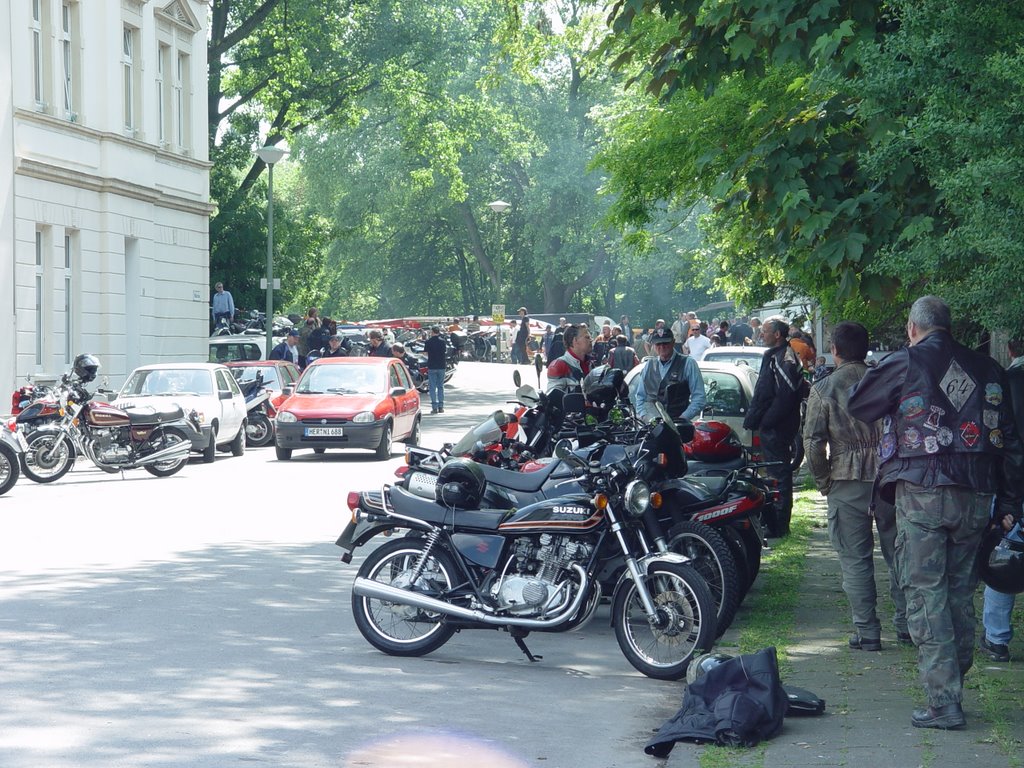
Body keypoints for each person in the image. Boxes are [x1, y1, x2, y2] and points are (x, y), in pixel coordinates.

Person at [848, 296, 1024, 730]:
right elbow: (1013, 445)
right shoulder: (989, 368)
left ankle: (944, 701)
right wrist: (1010, 505)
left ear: (912, 328)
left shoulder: (904, 362)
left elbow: (859, 404)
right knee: (960, 591)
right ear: (950, 326)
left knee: (926, 591)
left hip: (922, 491)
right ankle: (952, 684)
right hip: (977, 494)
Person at [802, 321, 909, 653]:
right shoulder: (888, 380)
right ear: (866, 348)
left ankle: (867, 632)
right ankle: (908, 626)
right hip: (891, 477)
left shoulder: (824, 388)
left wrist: (823, 481)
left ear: (834, 350)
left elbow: (813, 443)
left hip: (847, 480)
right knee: (900, 554)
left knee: (855, 558)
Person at [979, 337, 1024, 663]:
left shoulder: (1004, 384)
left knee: (1004, 556)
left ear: (1011, 350)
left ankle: (997, 638)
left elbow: (999, 441)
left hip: (1012, 485)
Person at [743, 315, 806, 538]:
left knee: (779, 473)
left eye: (765, 331)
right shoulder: (776, 356)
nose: (761, 334)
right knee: (773, 474)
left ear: (777, 335)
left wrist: (767, 421)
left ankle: (779, 525)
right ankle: (773, 522)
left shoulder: (785, 359)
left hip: (779, 427)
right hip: (775, 425)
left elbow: (786, 397)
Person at [633, 326, 706, 422]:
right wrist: (644, 416)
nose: (662, 347)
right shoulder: (648, 365)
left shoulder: (688, 363)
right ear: (654, 345)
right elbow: (640, 396)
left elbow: (699, 397)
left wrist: (683, 418)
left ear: (673, 342)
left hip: (679, 427)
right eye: (658, 344)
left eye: (665, 343)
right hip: (652, 427)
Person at [546, 323, 592, 394]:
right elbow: (552, 398)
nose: (591, 340)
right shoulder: (559, 365)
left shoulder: (591, 363)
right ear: (575, 340)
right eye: (587, 337)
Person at [423, 325, 448, 413]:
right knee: (440, 386)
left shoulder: (428, 342)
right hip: (441, 366)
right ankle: (441, 406)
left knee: (432, 387)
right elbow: (444, 352)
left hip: (432, 366)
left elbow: (425, 353)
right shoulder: (443, 342)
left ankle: (434, 407)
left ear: (432, 332)